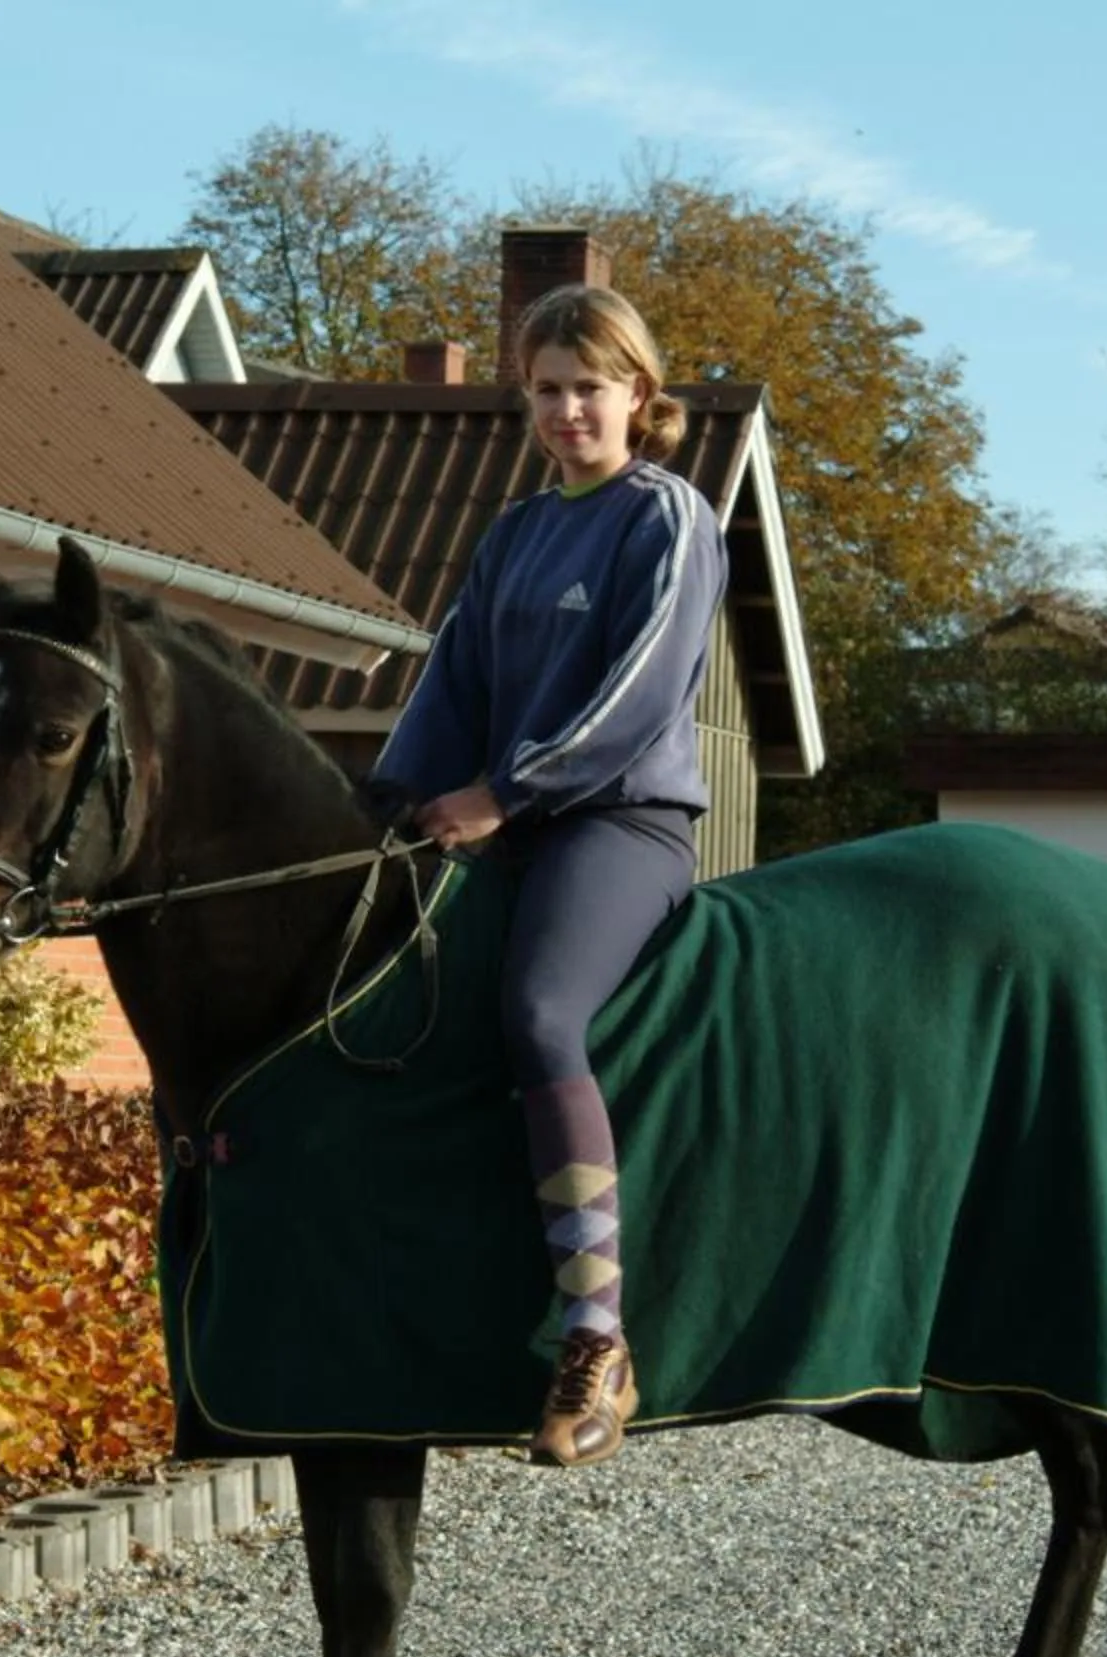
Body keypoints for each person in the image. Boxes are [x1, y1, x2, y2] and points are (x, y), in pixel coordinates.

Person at [370, 283, 725, 1470]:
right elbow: (450, 686)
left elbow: (636, 696)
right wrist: (385, 797)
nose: (570, 409)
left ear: (639, 393)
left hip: (621, 825)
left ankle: (596, 1338)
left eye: (591, 385)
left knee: (538, 1012)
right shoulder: (516, 532)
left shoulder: (668, 518)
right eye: (548, 389)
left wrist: (507, 792)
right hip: (506, 821)